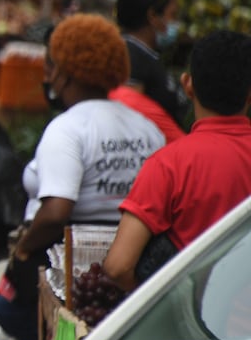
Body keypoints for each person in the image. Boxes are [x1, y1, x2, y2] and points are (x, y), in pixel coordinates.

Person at [0, 14, 165, 340]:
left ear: (64, 71)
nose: (46, 73)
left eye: (49, 64)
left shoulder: (68, 128)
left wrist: (25, 248)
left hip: (68, 264)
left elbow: (57, 210)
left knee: (6, 308)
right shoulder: (146, 128)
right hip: (134, 258)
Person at [104, 31, 251, 290]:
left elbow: (118, 267)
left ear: (188, 85)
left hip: (190, 323)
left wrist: (164, 309)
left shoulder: (168, 164)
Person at [113, 0, 190, 128]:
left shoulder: (147, 55)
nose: (176, 22)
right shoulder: (131, 59)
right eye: (173, 14)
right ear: (153, 16)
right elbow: (130, 119)